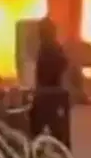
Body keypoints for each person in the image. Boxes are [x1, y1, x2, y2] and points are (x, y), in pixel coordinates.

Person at [31, 18, 73, 148]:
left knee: (40, 130)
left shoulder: (48, 47)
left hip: (48, 94)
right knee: (58, 132)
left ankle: (39, 155)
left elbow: (62, 63)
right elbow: (65, 63)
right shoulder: (52, 46)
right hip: (53, 94)